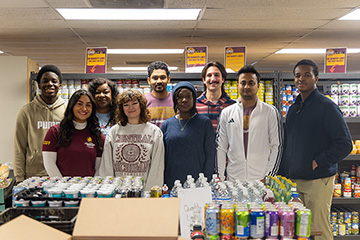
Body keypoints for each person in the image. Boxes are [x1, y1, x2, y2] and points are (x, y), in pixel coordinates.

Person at [278, 59, 352, 240]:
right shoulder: (294, 108)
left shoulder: (327, 107)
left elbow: (345, 144)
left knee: (319, 229)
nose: (301, 79)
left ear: (316, 78)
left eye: (306, 75)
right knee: (299, 231)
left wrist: (319, 161)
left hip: (317, 181)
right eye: (297, 75)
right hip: (294, 181)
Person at [217, 65, 282, 182]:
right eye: (243, 83)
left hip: (261, 179)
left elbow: (277, 145)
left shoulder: (270, 112)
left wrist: (269, 176)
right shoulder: (227, 113)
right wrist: (220, 177)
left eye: (251, 83)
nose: (247, 86)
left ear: (258, 86)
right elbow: (221, 147)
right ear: (237, 86)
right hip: (234, 179)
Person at [98, 89, 164, 191]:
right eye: (126, 105)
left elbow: (157, 166)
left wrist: (150, 193)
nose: (130, 107)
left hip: (144, 193)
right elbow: (107, 166)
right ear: (121, 108)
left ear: (141, 105)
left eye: (134, 103)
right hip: (118, 192)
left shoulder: (154, 132)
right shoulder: (114, 131)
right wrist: (109, 191)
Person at [14, 65, 67, 182]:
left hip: (60, 175)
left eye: (54, 81)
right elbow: (19, 148)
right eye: (45, 81)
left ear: (59, 86)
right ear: (38, 85)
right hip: (33, 176)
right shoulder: (26, 112)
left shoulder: (67, 111)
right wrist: (19, 178)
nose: (50, 84)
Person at [161, 82, 216, 189]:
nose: (184, 100)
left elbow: (210, 154)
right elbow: (162, 158)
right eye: (180, 97)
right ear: (175, 100)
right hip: (171, 182)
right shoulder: (167, 125)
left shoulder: (204, 123)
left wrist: (206, 181)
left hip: (198, 183)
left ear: (194, 99)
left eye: (188, 96)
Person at [42, 89, 105, 177]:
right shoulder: (54, 132)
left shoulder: (97, 135)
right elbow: (49, 164)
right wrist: (62, 185)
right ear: (71, 106)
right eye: (79, 104)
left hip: (88, 188)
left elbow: (99, 167)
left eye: (88, 105)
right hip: (61, 187)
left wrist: (91, 186)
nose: (84, 109)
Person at [196, 61, 236, 132]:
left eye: (216, 75)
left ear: (223, 79)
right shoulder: (195, 105)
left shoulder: (233, 106)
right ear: (204, 80)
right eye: (209, 75)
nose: (213, 79)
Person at [145, 61, 175, 128]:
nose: (159, 81)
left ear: (168, 79)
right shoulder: (143, 101)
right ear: (149, 80)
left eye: (162, 77)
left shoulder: (176, 100)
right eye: (155, 78)